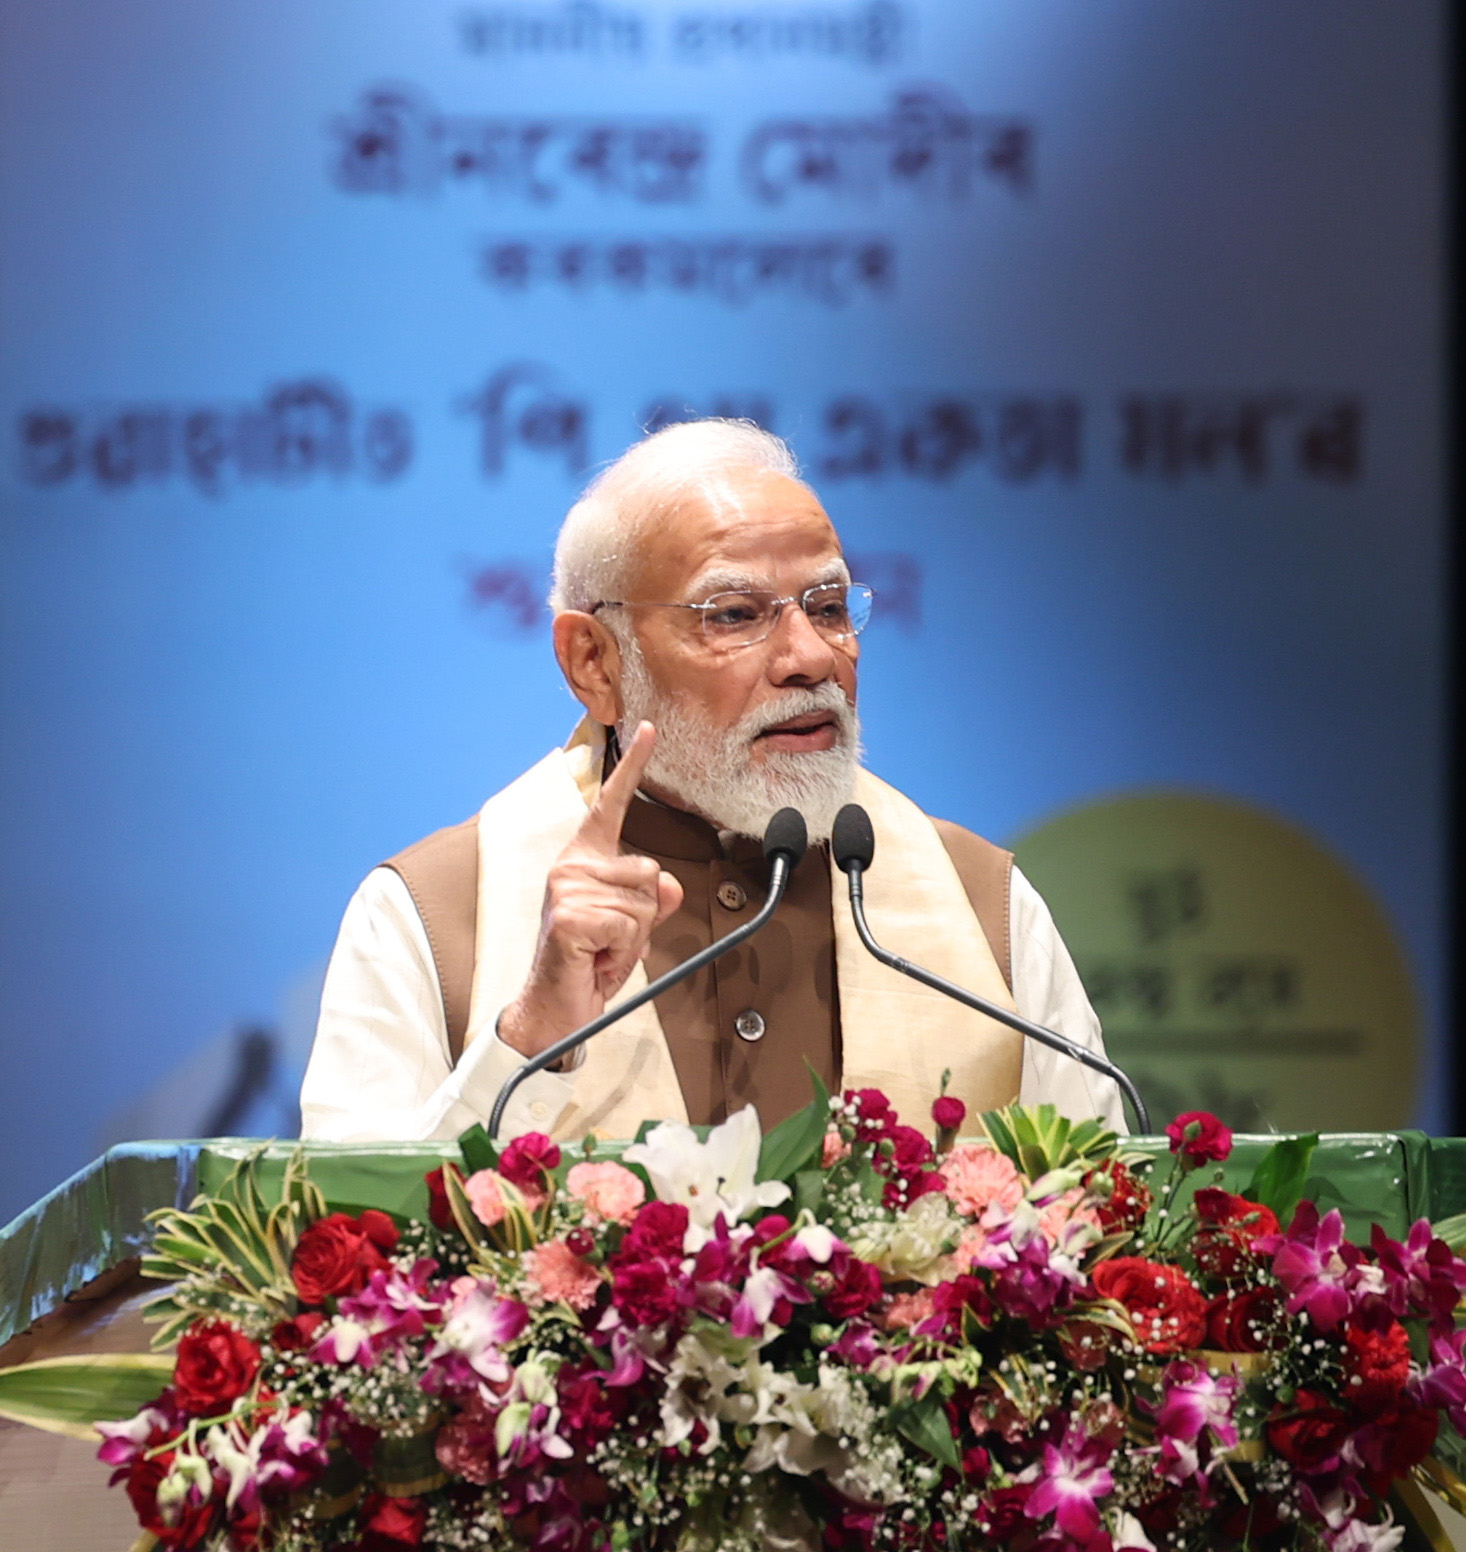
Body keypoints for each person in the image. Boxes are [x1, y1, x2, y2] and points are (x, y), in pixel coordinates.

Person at [299, 420, 1123, 1145]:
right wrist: (531, 1036)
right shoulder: (429, 913)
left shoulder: (984, 909)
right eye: (733, 614)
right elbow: (344, 1242)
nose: (810, 657)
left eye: (828, 606)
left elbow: (1106, 1227)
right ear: (594, 662)